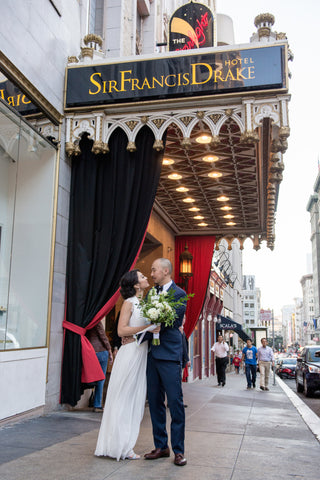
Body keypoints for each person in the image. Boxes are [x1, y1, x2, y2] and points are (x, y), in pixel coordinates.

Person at [95, 269, 157, 460]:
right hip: (130, 355)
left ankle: (126, 445)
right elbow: (121, 331)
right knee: (124, 399)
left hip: (141, 354)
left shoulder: (142, 303)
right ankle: (118, 446)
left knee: (135, 400)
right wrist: (147, 327)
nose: (147, 277)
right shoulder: (129, 303)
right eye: (142, 277)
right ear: (136, 285)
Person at [144, 258, 187, 467]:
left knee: (175, 403)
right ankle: (161, 446)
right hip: (152, 355)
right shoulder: (151, 293)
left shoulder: (179, 294)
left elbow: (174, 321)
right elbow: (146, 319)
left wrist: (157, 322)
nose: (151, 274)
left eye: (154, 270)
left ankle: (178, 450)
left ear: (165, 271)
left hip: (170, 355)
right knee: (154, 402)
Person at [86, 321, 113, 412]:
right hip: (101, 351)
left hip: (90, 351)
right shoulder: (97, 321)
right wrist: (109, 350)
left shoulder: (87, 318)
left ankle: (93, 400)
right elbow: (103, 336)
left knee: (93, 377)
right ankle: (97, 405)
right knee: (101, 379)